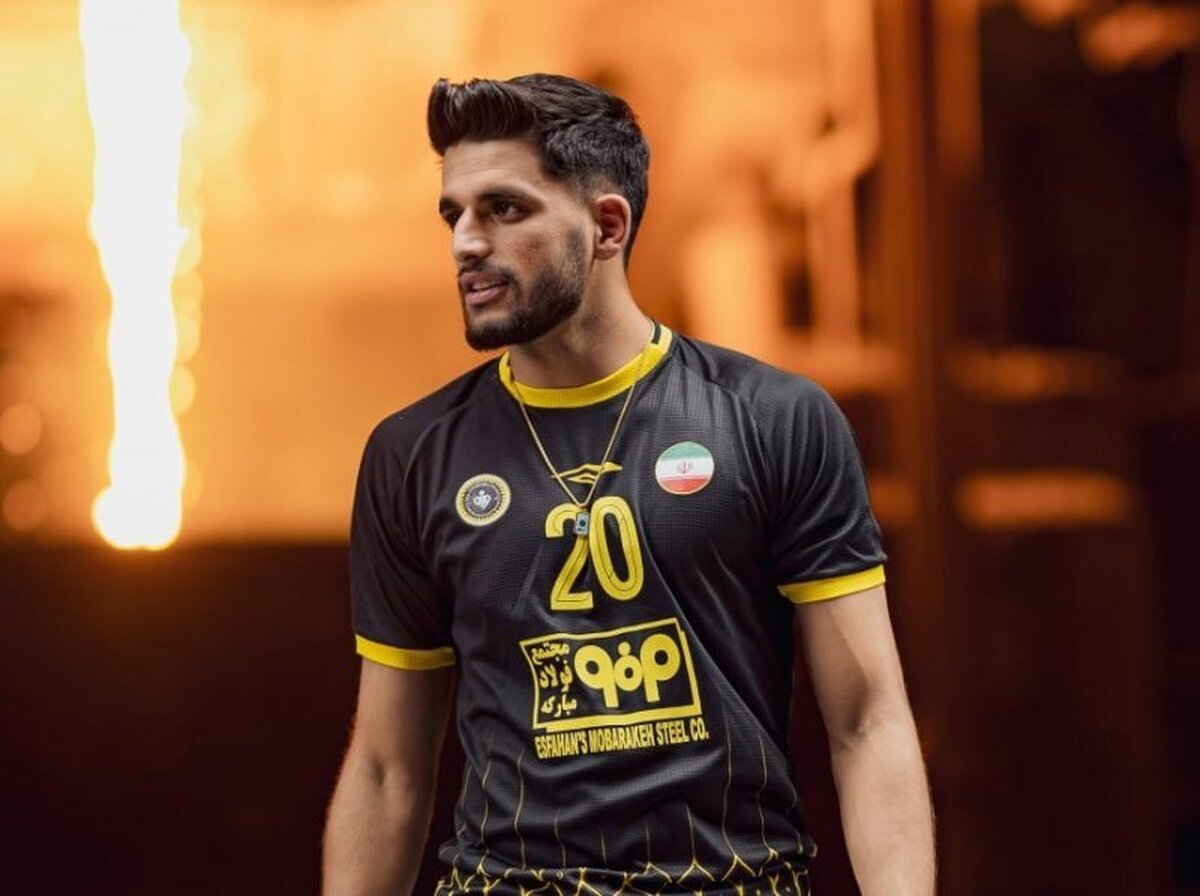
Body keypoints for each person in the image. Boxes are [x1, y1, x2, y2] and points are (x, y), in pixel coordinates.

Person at [322, 73, 935, 896]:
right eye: (454, 214)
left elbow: (866, 721)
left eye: (503, 209)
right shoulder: (412, 454)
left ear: (607, 226)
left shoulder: (774, 419)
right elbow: (385, 770)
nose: (465, 243)